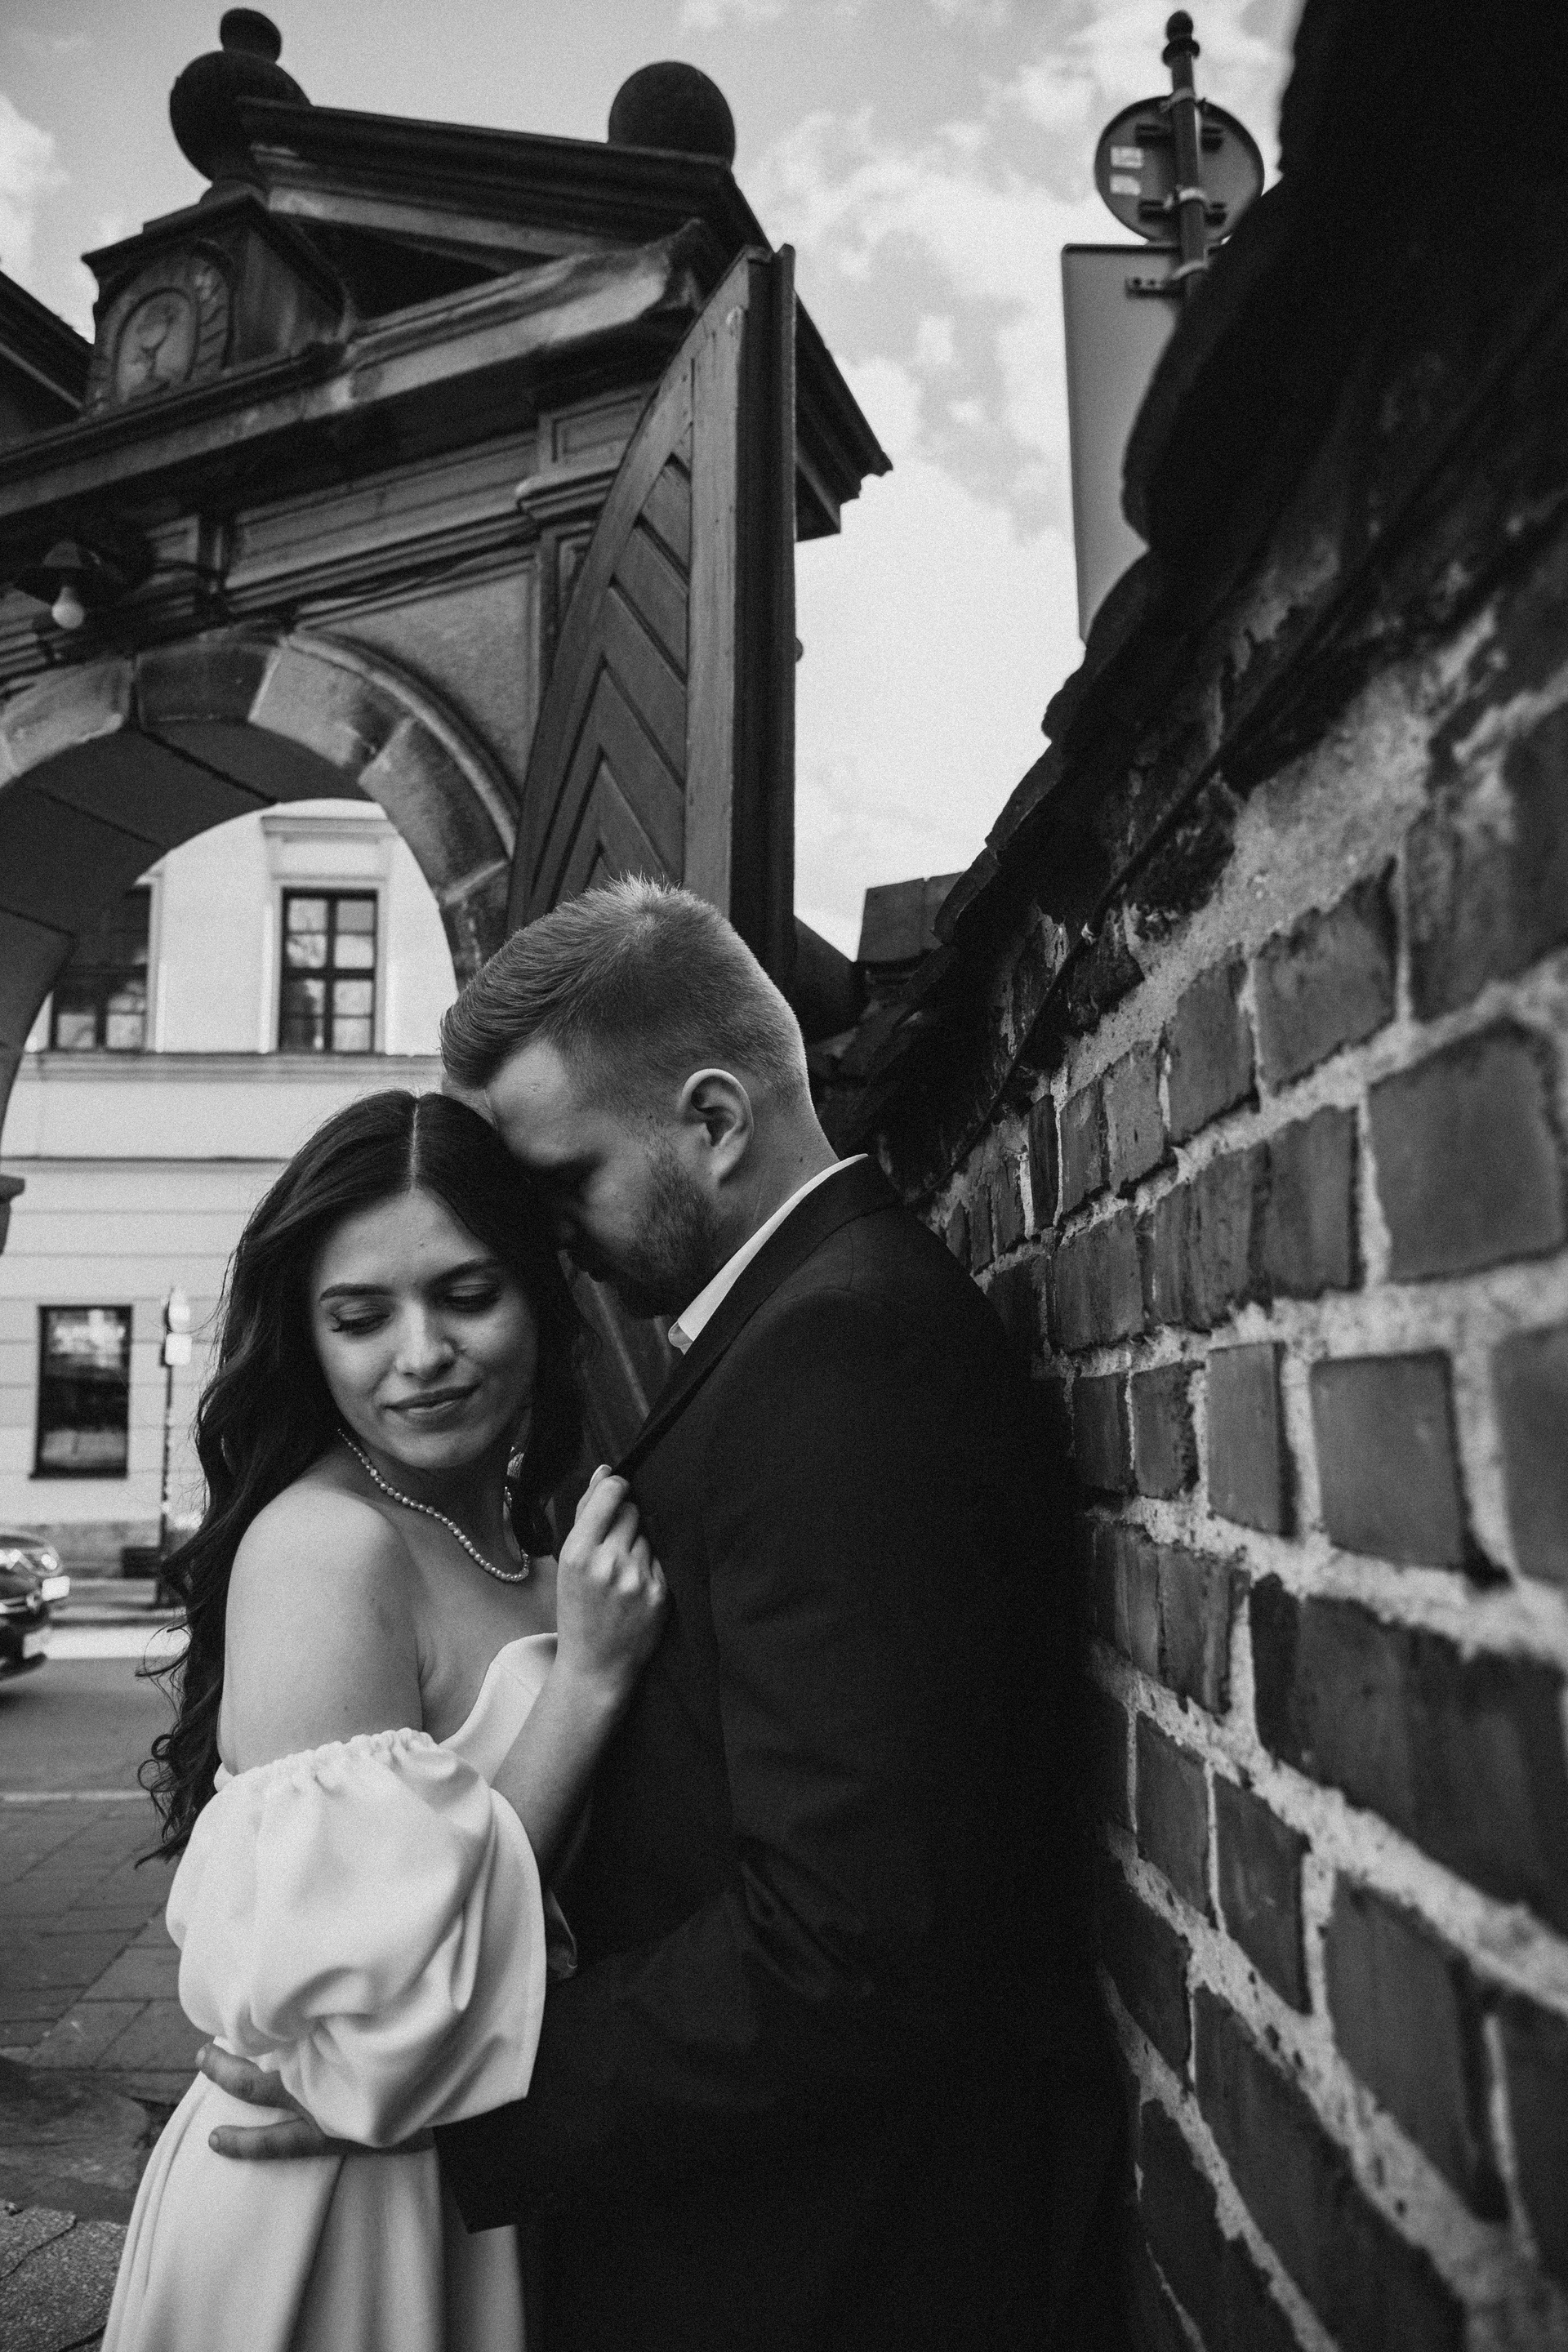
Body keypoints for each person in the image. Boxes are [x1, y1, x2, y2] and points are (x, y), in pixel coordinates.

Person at [204, 880, 1119, 2350]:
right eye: (362, 1315)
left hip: (834, 2257)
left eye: (565, 1181)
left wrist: (448, 2103)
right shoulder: (799, 1331)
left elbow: (849, 1938)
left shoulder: (840, 1361)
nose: (554, 1239)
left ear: (712, 1121)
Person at [102, 1089, 666, 2352]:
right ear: (308, 1340)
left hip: (475, 2165)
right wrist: (586, 1683)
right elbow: (372, 2012)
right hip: (328, 2200)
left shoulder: (527, 1540)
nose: (422, 1354)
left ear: (540, 1299)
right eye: (360, 1318)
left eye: (467, 1296)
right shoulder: (325, 1547)